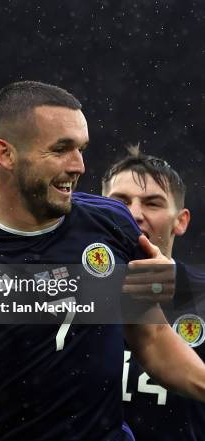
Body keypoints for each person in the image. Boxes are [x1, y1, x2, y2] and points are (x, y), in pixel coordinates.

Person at [0, 81, 205, 441]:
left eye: (81, 148)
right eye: (61, 149)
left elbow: (153, 341)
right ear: (5, 154)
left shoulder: (111, 224)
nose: (79, 165)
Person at [102, 146, 205, 440]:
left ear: (181, 221)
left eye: (153, 203)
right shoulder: (66, 291)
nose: (134, 214)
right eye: (120, 201)